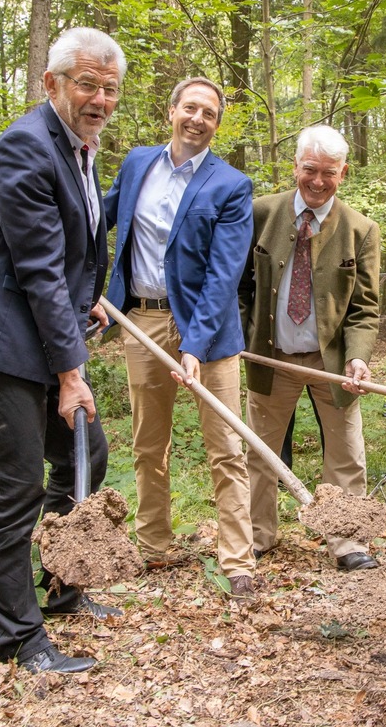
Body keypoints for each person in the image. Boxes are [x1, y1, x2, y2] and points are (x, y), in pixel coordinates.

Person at [0, 27, 124, 674]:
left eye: (109, 88)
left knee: (87, 458)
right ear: (52, 84)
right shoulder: (26, 147)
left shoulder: (78, 147)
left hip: (45, 338)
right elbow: (37, 270)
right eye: (86, 84)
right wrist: (71, 373)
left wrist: (89, 300)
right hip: (5, 350)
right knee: (15, 490)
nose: (99, 98)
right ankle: (19, 639)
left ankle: (60, 584)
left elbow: (69, 258)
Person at [102, 77, 257, 600]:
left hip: (209, 333)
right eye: (189, 108)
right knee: (149, 443)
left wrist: (194, 344)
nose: (197, 118)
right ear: (171, 111)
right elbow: (97, 219)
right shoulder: (136, 163)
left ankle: (237, 558)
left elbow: (223, 274)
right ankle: (155, 545)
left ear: (217, 124)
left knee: (225, 446)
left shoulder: (231, 185)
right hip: (140, 322)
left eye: (209, 113)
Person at [240, 124, 382, 572]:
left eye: (329, 173)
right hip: (271, 357)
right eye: (310, 170)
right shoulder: (259, 213)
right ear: (295, 166)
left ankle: (348, 541)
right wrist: (241, 338)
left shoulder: (361, 229)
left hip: (332, 363)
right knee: (259, 451)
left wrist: (357, 357)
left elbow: (364, 308)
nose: (318, 181)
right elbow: (238, 287)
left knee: (346, 452)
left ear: (343, 173)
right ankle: (257, 536)